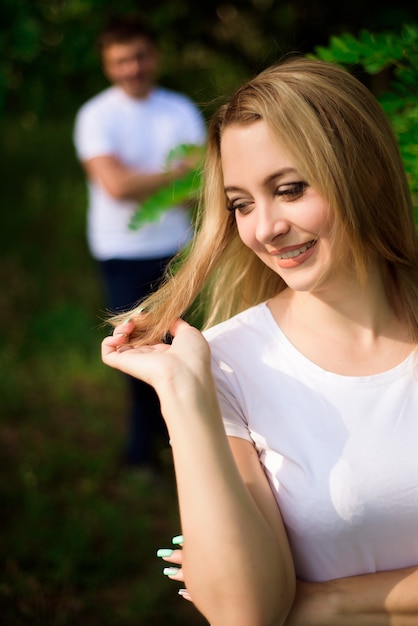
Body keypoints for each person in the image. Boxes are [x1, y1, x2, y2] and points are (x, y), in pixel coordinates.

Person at [101, 56, 418, 625]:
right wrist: (184, 397)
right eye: (241, 204)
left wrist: (333, 601)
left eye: (290, 189)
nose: (264, 228)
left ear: (361, 172)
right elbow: (246, 615)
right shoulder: (225, 364)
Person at [73, 15, 206, 473]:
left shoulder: (181, 109)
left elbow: (202, 181)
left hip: (179, 248)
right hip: (121, 251)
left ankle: (182, 444)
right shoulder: (96, 115)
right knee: (134, 351)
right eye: (121, 60)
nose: (133, 67)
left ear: (155, 56)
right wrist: (175, 177)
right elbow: (114, 186)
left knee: (187, 346)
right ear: (109, 65)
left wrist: (145, 180)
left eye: (140, 56)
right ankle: (141, 450)